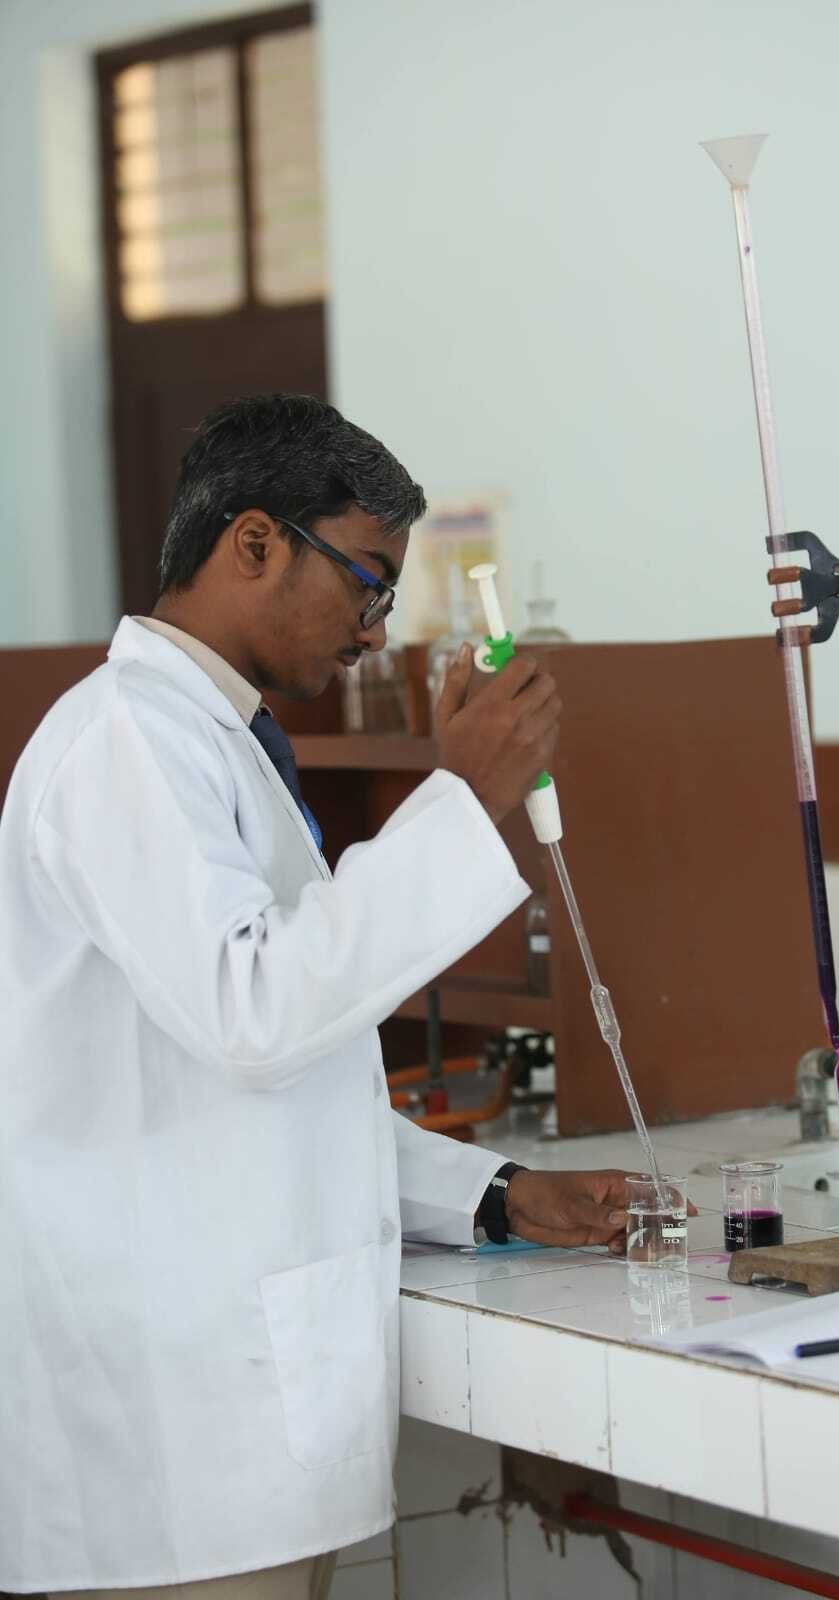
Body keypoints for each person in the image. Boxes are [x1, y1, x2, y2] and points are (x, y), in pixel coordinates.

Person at [0, 395, 633, 1600]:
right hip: (168, 1450)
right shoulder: (124, 739)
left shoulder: (216, 744)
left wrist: (498, 1192)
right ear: (254, 542)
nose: (376, 632)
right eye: (366, 581)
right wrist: (461, 801)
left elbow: (294, 1090)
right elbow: (256, 1015)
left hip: (238, 1430)